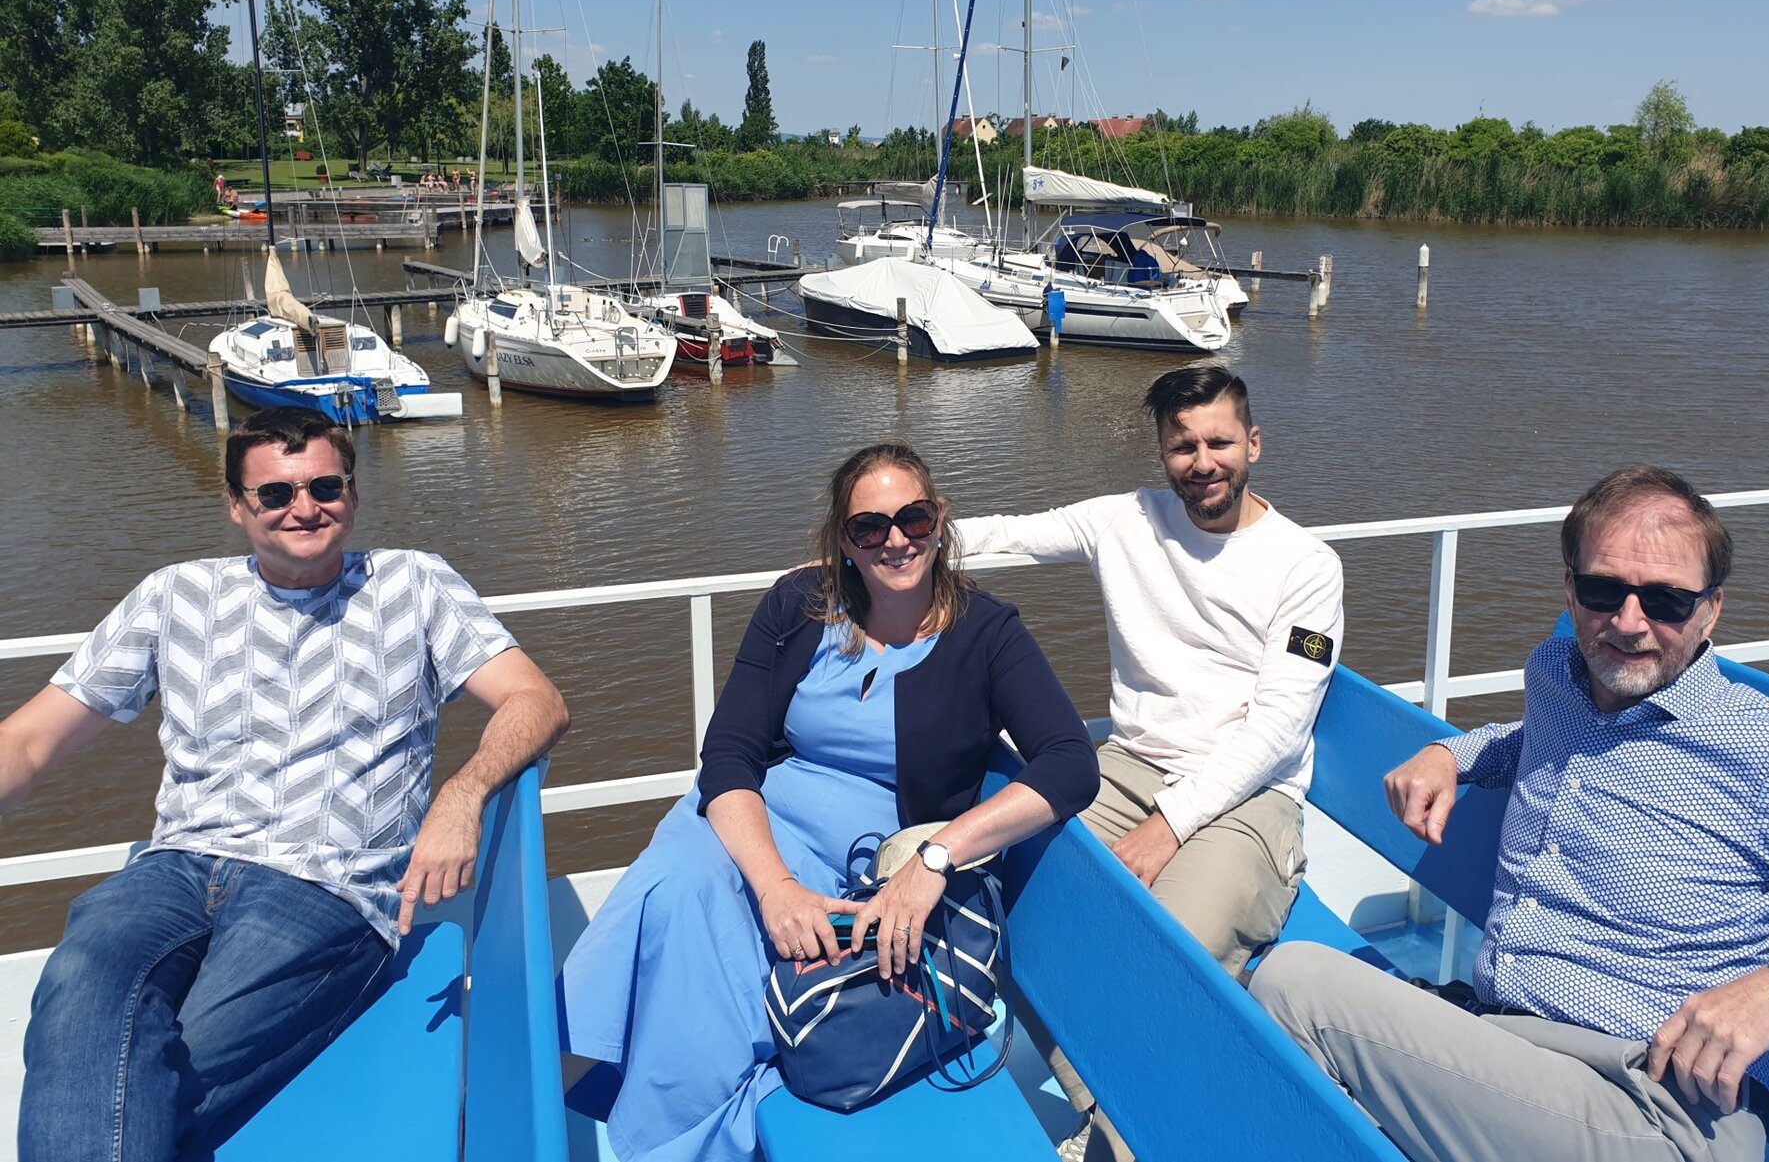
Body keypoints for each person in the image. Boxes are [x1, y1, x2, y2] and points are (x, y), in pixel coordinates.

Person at [1252, 465, 1769, 1162]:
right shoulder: (1559, 678)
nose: (1628, 622)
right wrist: (1451, 754)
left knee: (1294, 984)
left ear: (1711, 610)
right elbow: (1531, 739)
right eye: (1602, 590)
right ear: (1570, 588)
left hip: (1653, 1104)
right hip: (1508, 1048)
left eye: (1666, 600)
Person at [1, 406, 570, 1162]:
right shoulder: (175, 596)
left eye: (324, 486)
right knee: (77, 987)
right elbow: (29, 740)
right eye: (274, 493)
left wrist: (462, 795)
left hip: (325, 887)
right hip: (175, 870)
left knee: (166, 1066)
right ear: (237, 507)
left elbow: (536, 700)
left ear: (352, 494)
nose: (304, 507)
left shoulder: (415, 583)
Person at [558, 442, 1099, 1162]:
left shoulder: (986, 633)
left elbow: (1070, 763)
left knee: (710, 944)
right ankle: (620, 1108)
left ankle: (677, 1135)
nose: (895, 540)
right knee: (675, 885)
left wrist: (937, 856)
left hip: (860, 853)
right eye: (869, 527)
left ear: (940, 520)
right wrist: (774, 885)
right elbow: (729, 752)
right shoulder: (800, 606)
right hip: (750, 816)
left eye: (913, 518)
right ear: (843, 541)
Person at [957, 364, 1344, 1161]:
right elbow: (1005, 533)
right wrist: (878, 545)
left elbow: (1277, 728)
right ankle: (1111, 1113)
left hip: (1250, 799)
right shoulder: (1125, 520)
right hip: (1126, 768)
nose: (1202, 462)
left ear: (1254, 443)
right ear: (1162, 452)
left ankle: (1118, 1136)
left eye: (1219, 442)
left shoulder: (1307, 566)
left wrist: (1170, 824)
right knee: (1004, 906)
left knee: (1162, 961)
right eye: (1182, 445)